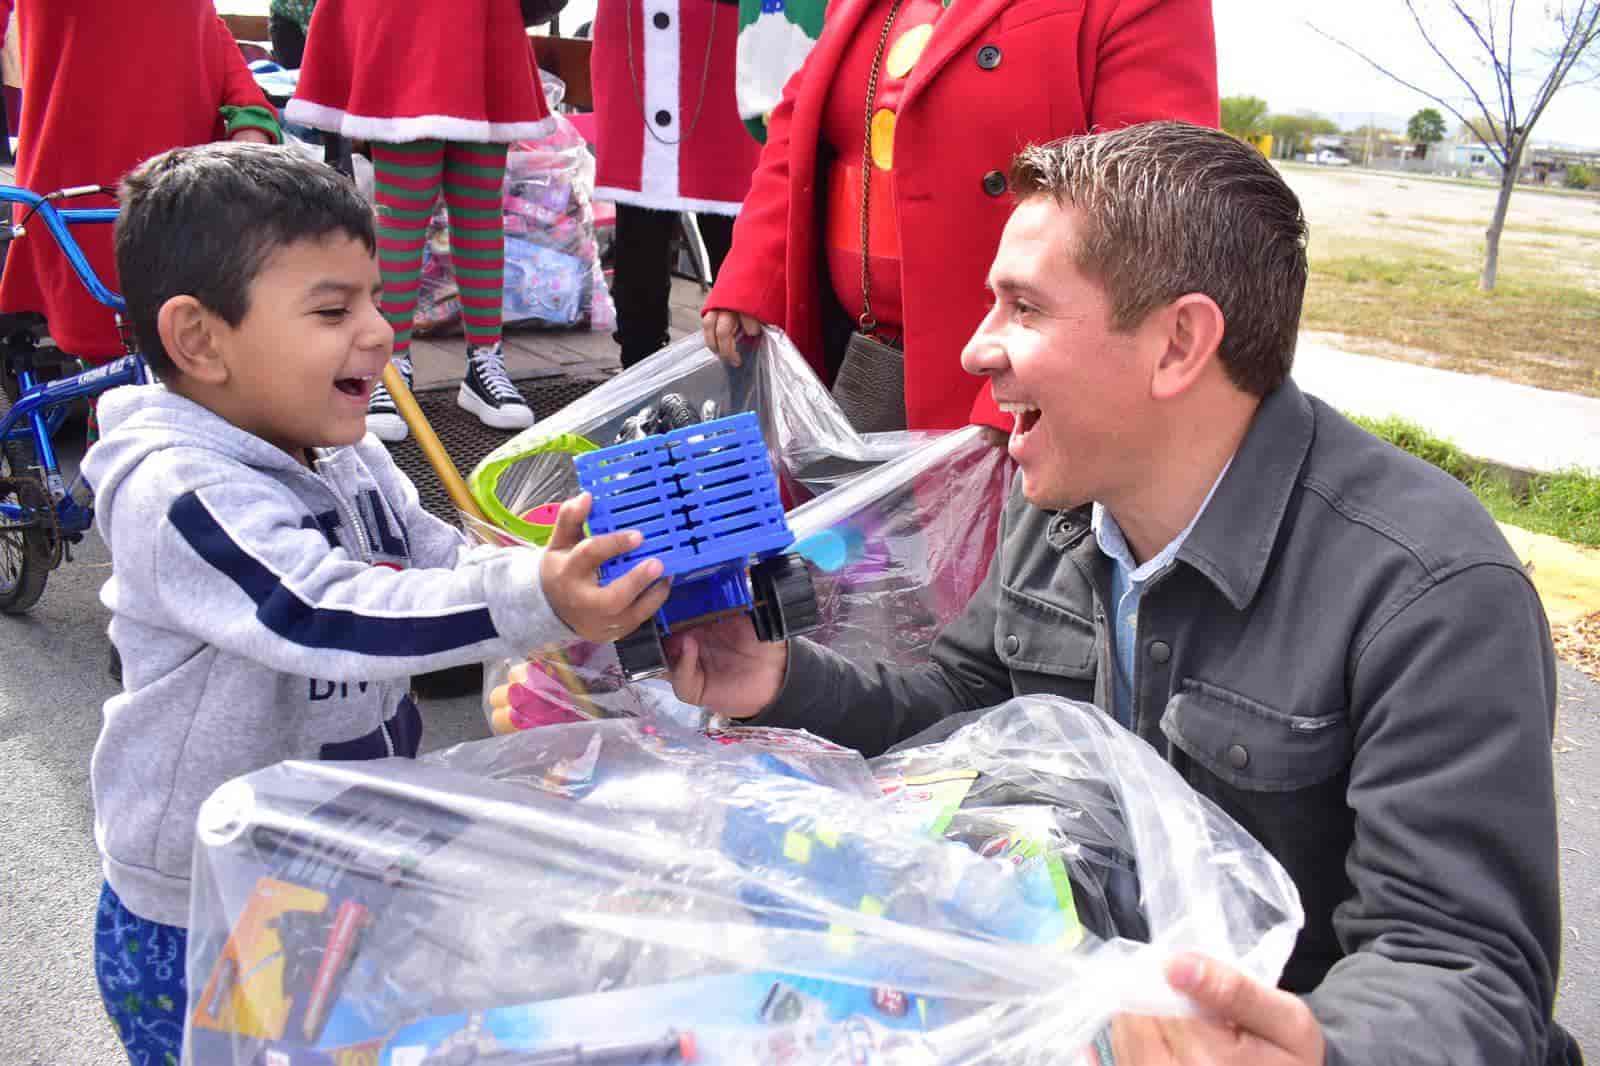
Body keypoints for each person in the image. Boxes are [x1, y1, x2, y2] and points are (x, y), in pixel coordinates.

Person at [668, 122, 1579, 1065]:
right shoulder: (1067, 494)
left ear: (1179, 343)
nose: (978, 350)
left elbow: (1460, 966)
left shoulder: (1428, 590)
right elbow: (965, 708)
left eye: (1024, 308)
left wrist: (1316, 1049)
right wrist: (777, 679)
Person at [82, 143, 671, 1066]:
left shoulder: (341, 448)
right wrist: (528, 601)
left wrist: (547, 572)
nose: (380, 331)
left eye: (374, 299)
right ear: (200, 339)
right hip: (206, 906)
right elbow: (316, 612)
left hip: (343, 858)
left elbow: (434, 554)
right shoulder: (177, 488)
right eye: (332, 309)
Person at [700, 0, 1217, 432]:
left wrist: (1021, 396)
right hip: (849, 354)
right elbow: (798, 126)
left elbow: (1147, 203)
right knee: (847, 549)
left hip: (1004, 372)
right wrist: (755, 272)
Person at [287, 0, 551, 442]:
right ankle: (387, 367)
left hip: (485, 18)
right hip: (403, 20)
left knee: (481, 208)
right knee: (401, 214)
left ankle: (484, 362)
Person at [0, 0, 280, 366]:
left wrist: (249, 115)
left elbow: (202, 27)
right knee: (121, 373)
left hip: (192, 198)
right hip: (85, 196)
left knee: (195, 369)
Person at [589, 0, 763, 368]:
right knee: (639, 222)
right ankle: (637, 374)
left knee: (735, 218)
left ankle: (750, 370)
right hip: (640, 41)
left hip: (724, 49)